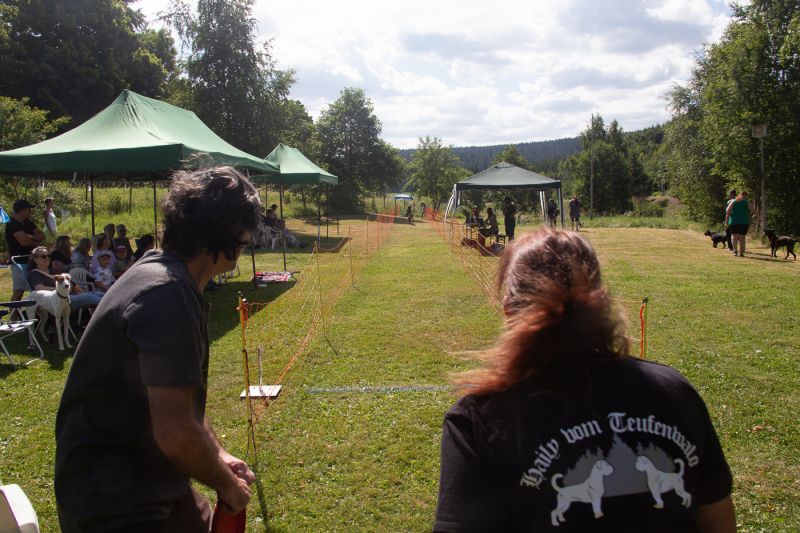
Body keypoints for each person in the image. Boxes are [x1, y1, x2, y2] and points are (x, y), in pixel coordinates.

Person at [435, 228, 735, 532]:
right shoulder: (675, 391)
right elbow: (719, 522)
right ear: (600, 301)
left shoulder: (480, 418)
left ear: (509, 311)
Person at [55, 167, 259, 532]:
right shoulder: (167, 294)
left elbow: (183, 408)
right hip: (115, 503)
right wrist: (228, 485)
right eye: (246, 231)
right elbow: (176, 433)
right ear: (228, 235)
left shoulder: (166, 276)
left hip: (144, 479)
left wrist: (218, 455)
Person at [28, 246, 102, 309]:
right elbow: (39, 289)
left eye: (49, 256)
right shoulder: (35, 274)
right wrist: (62, 289)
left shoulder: (53, 271)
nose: (47, 258)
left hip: (70, 295)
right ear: (35, 259)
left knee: (99, 293)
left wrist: (82, 291)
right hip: (58, 299)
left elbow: (71, 284)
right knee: (89, 297)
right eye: (43, 257)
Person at [5, 199, 46, 301]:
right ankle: (13, 311)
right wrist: (36, 243)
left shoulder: (27, 222)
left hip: (31, 260)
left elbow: (41, 236)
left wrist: (30, 236)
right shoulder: (12, 223)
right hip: (19, 262)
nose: (30, 212)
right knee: (19, 291)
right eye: (29, 209)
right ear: (23, 210)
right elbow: (24, 242)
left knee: (36, 287)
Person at [725, 191, 755, 257]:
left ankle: (734, 251)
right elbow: (753, 210)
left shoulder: (733, 201)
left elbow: (727, 211)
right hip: (744, 222)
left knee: (734, 236)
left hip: (733, 221)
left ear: (740, 195)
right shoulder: (747, 202)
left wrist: (726, 222)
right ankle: (741, 252)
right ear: (746, 196)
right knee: (742, 237)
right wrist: (758, 216)